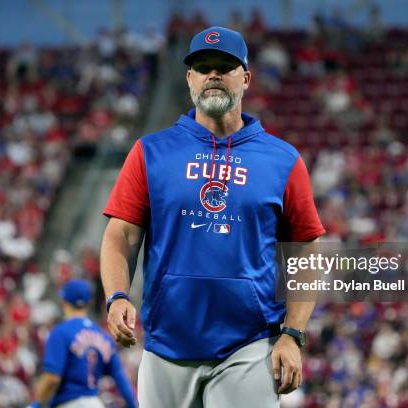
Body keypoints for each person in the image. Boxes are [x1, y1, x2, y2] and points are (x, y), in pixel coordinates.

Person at [101, 26, 325, 408]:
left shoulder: (282, 160)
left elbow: (307, 250)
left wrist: (293, 334)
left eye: (225, 66)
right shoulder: (150, 152)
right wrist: (116, 296)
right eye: (203, 67)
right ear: (190, 78)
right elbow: (119, 235)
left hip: (250, 345)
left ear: (246, 77)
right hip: (165, 344)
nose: (213, 75)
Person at [31, 279, 137, 408]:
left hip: (68, 403)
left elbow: (52, 378)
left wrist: (36, 404)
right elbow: (121, 380)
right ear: (89, 303)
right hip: (95, 403)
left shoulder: (60, 332)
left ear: (64, 301)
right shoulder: (103, 336)